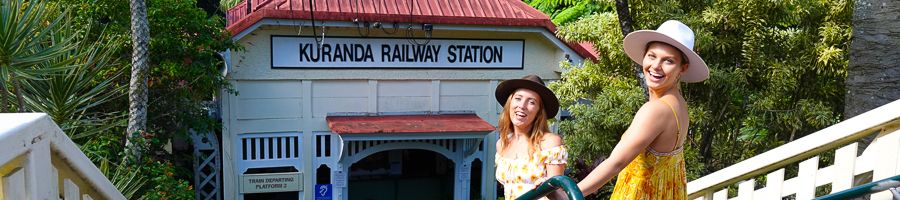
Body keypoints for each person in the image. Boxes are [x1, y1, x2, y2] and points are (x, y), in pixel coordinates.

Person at [576, 20, 710, 199]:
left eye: (668, 61)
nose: (656, 66)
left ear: (682, 68)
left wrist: (567, 194)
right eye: (652, 56)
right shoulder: (678, 103)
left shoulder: (656, 110)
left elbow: (616, 162)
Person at [494, 75, 569, 200]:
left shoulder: (550, 143)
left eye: (531, 102)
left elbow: (559, 196)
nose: (522, 106)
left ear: (539, 111)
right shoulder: (502, 144)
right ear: (510, 103)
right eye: (518, 98)